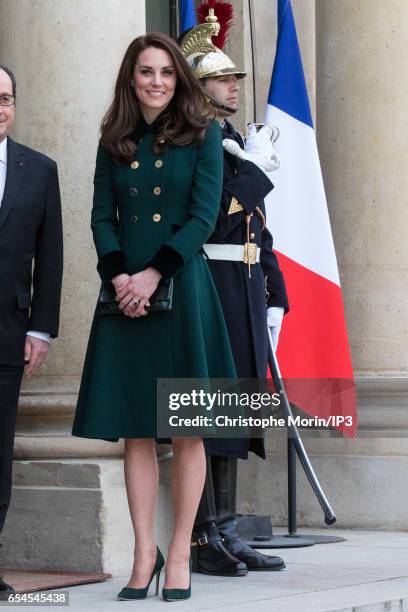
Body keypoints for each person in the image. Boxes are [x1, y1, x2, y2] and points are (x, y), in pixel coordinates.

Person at [72, 33, 237, 602]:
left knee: (187, 429)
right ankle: (145, 553)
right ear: (132, 78)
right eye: (147, 72)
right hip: (123, 299)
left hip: (181, 291)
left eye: (167, 72)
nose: (158, 82)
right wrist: (120, 276)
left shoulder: (204, 134)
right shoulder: (112, 139)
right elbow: (100, 217)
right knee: (137, 430)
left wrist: (153, 274)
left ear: (179, 79)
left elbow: (202, 216)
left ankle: (182, 551)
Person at [180, 7, 289, 576]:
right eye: (223, 79)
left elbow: (257, 230)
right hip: (213, 286)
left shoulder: (228, 139)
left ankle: (226, 527)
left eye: (234, 78)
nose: (233, 86)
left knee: (238, 412)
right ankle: (203, 538)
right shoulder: (196, 143)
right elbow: (217, 218)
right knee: (211, 413)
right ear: (198, 89)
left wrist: (277, 293)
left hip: (242, 287)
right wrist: (257, 172)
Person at [0, 65, 63, 598]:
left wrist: (41, 329)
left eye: (5, 99)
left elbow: (53, 257)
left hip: (7, 334)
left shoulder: (39, 170)